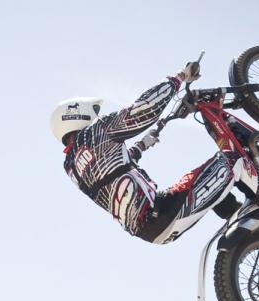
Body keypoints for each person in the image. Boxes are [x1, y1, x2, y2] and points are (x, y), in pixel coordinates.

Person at [52, 59, 236, 246]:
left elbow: (109, 173)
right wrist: (180, 76)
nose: (97, 118)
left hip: (151, 231)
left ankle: (242, 223)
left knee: (205, 179)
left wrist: (141, 146)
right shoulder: (95, 133)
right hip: (162, 212)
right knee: (234, 160)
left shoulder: (72, 167)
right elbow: (145, 109)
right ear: (74, 115)